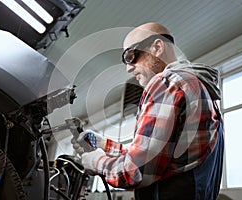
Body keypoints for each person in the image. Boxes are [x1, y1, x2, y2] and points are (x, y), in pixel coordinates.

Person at [75, 22, 224, 200]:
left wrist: (94, 161)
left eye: (130, 56)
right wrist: (102, 144)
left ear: (157, 47)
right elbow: (156, 157)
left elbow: (136, 171)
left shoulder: (168, 83)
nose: (128, 68)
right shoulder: (199, 87)